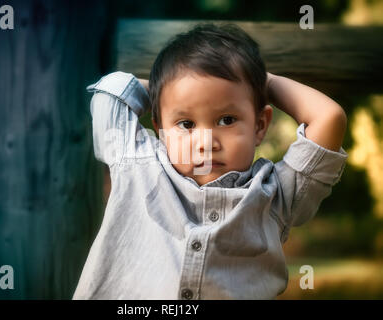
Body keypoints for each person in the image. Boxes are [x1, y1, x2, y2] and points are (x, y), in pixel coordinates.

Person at [73, 23, 348, 300]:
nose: (206, 142)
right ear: (160, 129)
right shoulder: (139, 164)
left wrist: (266, 82)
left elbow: (329, 117)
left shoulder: (277, 195)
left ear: (260, 125)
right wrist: (166, 90)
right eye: (186, 123)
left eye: (227, 120)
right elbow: (110, 93)